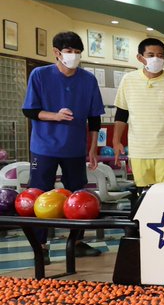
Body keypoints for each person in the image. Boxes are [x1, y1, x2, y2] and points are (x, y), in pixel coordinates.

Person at [22, 31, 105, 261]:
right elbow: (30, 110)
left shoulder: (88, 80)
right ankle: (40, 246)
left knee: (78, 194)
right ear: (57, 53)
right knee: (39, 194)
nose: (73, 56)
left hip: (75, 148)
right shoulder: (40, 75)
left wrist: (92, 149)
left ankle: (76, 242)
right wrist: (55, 116)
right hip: (44, 147)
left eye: (78, 52)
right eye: (69, 51)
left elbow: (94, 118)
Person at [112, 38, 164, 188]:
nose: (156, 59)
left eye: (160, 55)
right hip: (139, 150)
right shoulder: (128, 80)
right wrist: (116, 142)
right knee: (144, 193)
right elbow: (121, 114)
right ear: (140, 58)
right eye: (150, 55)